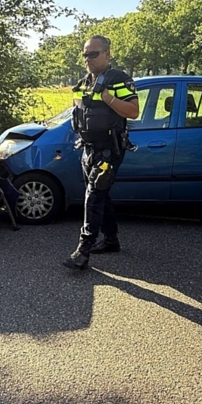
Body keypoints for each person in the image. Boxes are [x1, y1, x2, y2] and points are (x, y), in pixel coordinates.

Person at [63, 35, 140, 271]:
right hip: (88, 149)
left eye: (93, 54)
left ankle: (83, 251)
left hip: (109, 150)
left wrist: (109, 98)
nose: (88, 59)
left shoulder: (118, 80)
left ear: (107, 54)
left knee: (93, 196)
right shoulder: (85, 82)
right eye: (85, 54)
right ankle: (110, 240)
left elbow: (134, 111)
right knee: (100, 195)